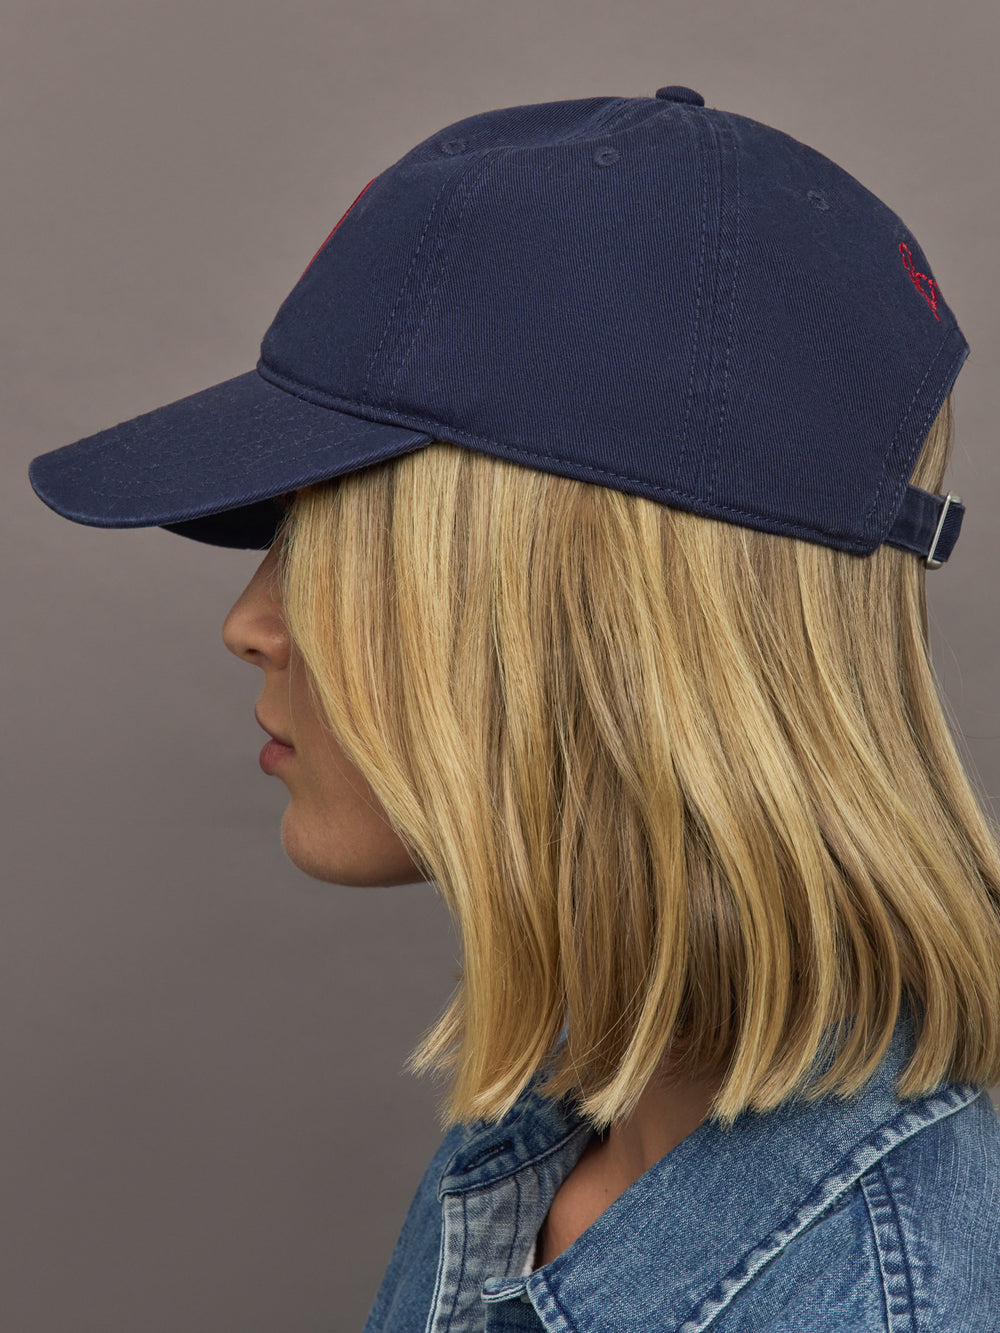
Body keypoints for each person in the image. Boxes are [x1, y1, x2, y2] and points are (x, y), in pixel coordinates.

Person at [28, 86, 1000, 1330]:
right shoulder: (559, 1125)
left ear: (580, 620)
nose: (249, 623)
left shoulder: (883, 1298)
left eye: (338, 545)